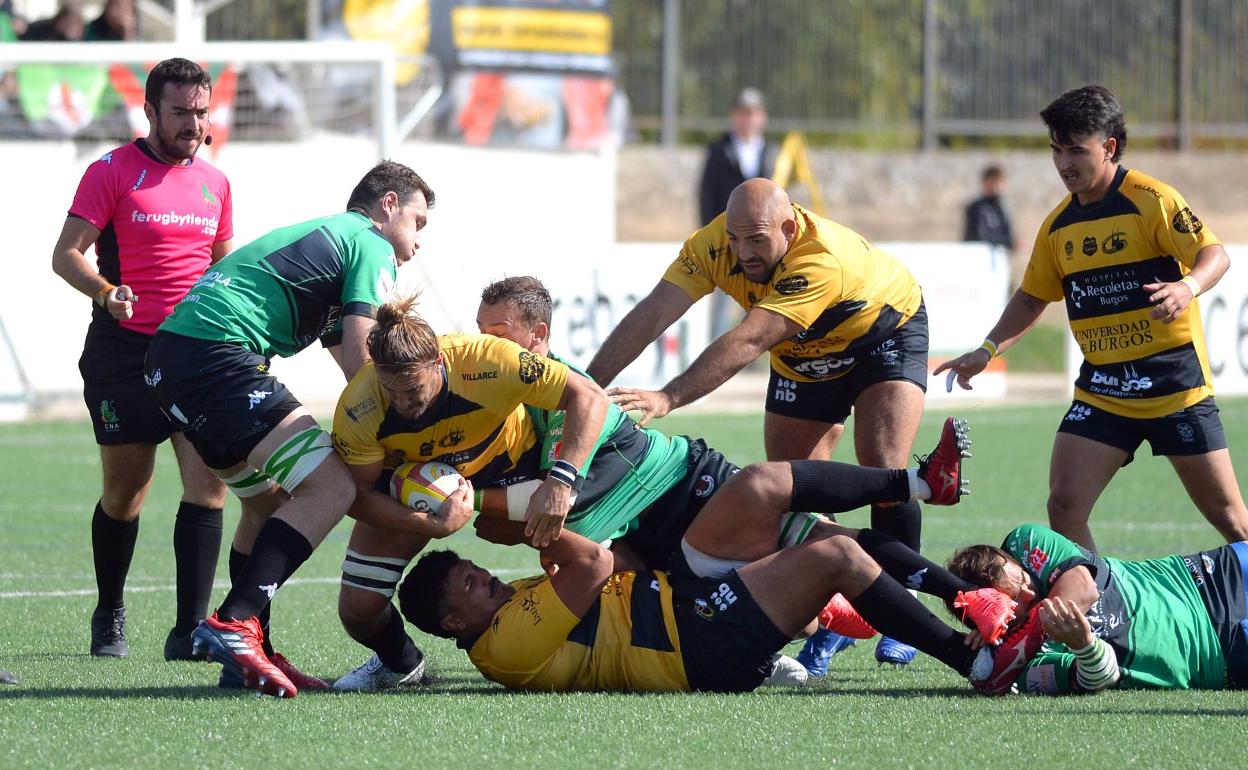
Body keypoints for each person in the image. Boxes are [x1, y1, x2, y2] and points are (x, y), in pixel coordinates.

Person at [586, 177, 932, 668]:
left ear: (789, 229)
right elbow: (653, 313)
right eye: (734, 238)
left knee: (884, 469)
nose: (743, 252)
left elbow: (749, 340)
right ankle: (836, 612)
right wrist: (587, 388)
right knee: (801, 490)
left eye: (756, 239)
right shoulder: (713, 245)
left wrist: (669, 396)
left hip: (881, 332)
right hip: (801, 350)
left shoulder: (819, 259)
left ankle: (905, 609)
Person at [394, 440, 1013, 695]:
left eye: (475, 568)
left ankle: (925, 501)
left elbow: (615, 565)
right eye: (470, 584)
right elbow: (596, 561)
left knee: (764, 485)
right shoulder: (503, 646)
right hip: (697, 643)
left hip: (685, 596)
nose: (486, 577)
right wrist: (524, 523)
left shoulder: (510, 613)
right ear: (453, 623)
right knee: (837, 556)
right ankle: (976, 662)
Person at [144, 160, 434, 698]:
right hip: (214, 358)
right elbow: (363, 361)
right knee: (331, 485)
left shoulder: (331, 244)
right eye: (417, 222)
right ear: (388, 204)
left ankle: (249, 651)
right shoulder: (370, 242)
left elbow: (348, 365)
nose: (418, 242)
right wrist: (404, 434)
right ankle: (237, 621)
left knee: (267, 506)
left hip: (172, 362)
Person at [936, 85, 1248, 551]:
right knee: (1064, 506)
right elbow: (1031, 298)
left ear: (1109, 147)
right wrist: (987, 349)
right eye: (1056, 150)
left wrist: (1187, 286)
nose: (1064, 163)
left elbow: (1214, 255)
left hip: (1173, 387)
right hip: (1104, 392)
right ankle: (1096, 597)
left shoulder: (1152, 200)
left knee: (1232, 520)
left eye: (1076, 151)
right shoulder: (1058, 226)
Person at [329, 295, 609, 691]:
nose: (403, 403)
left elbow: (589, 396)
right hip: (416, 487)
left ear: (439, 362)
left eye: (413, 389)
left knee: (604, 556)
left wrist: (561, 482)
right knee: (358, 609)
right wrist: (429, 524)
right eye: (392, 391)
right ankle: (402, 664)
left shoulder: (490, 360)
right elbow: (355, 496)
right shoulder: (360, 404)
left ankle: (615, 634)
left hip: (511, 472)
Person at [51, 58, 232, 660]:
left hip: (195, 355)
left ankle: (190, 632)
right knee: (126, 493)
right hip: (124, 353)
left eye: (201, 112)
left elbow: (224, 269)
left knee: (209, 486)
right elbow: (66, 254)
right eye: (180, 112)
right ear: (150, 110)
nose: (193, 124)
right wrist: (106, 292)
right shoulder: (111, 171)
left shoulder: (216, 183)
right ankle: (110, 612)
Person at [947, 523, 1248, 694]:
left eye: (1023, 578)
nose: (1030, 591)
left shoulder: (1023, 543)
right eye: (1016, 600)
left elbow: (1083, 588)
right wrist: (1084, 646)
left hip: (1212, 573)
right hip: (1221, 652)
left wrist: (1016, 646)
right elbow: (1099, 677)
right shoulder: (1021, 671)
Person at [699, 88, 776, 338]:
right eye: (743, 113)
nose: (748, 119)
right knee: (723, 298)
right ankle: (716, 346)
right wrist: (710, 233)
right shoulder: (720, 149)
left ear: (762, 117)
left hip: (763, 238)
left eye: (753, 113)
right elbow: (707, 193)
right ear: (734, 116)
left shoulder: (771, 151)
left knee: (762, 299)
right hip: (728, 235)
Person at [962, 164, 1015, 251]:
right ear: (985, 183)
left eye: (999, 183)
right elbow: (979, 237)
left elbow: (1009, 235)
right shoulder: (976, 208)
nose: (996, 188)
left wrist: (1013, 243)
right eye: (993, 183)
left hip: (998, 255)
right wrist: (1009, 243)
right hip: (979, 254)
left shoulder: (1003, 208)